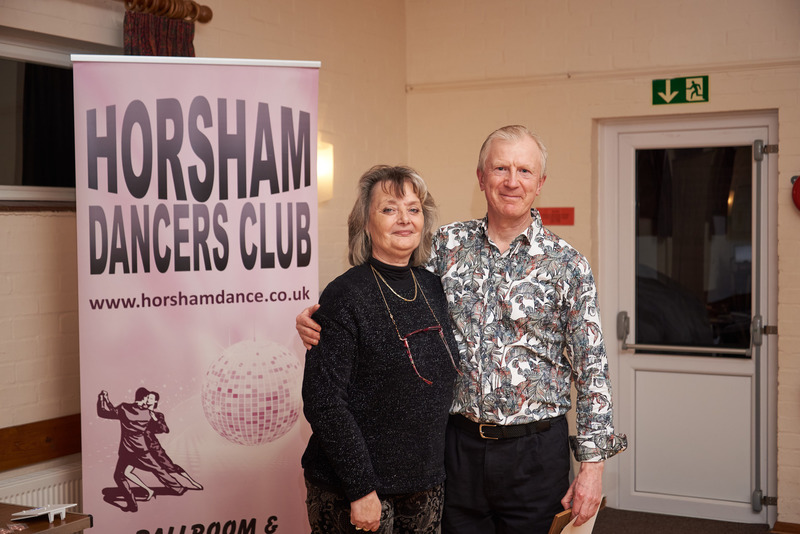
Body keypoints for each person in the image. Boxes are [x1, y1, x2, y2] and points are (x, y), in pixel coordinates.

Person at [297, 126, 627, 534]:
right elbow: (384, 289)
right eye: (500, 168)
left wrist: (592, 467)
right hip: (456, 450)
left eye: (524, 171)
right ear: (481, 178)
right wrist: (319, 321)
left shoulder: (569, 265)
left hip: (536, 454)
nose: (512, 181)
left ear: (540, 183)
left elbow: (592, 369)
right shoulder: (444, 247)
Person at [301, 165, 461, 533]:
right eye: (389, 209)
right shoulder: (345, 295)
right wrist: (360, 488)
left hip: (424, 484)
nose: (404, 219)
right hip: (357, 491)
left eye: (413, 209)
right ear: (365, 223)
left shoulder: (432, 287)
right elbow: (324, 401)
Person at [97, 387, 187, 512]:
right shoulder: (148, 414)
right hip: (142, 449)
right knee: (158, 469)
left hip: (126, 451)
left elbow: (104, 413)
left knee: (119, 476)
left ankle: (132, 504)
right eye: (148, 398)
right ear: (144, 398)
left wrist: (102, 399)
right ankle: (178, 488)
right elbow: (163, 429)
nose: (148, 401)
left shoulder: (123, 408)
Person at [122, 390, 203, 501]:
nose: (148, 400)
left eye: (151, 398)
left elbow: (165, 429)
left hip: (154, 448)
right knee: (128, 471)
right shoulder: (139, 412)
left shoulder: (158, 415)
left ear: (155, 401)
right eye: (147, 397)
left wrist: (155, 419)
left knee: (171, 467)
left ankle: (192, 482)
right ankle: (150, 490)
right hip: (139, 448)